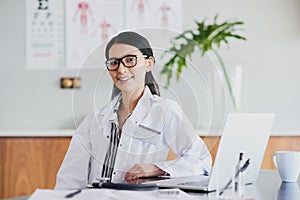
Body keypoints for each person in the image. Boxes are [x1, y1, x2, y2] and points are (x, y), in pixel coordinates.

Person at [55, 31, 212, 190]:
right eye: (114, 63)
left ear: (149, 63)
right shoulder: (95, 119)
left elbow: (201, 161)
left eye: (130, 60)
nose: (121, 70)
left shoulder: (164, 111)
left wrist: (155, 168)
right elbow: (69, 179)